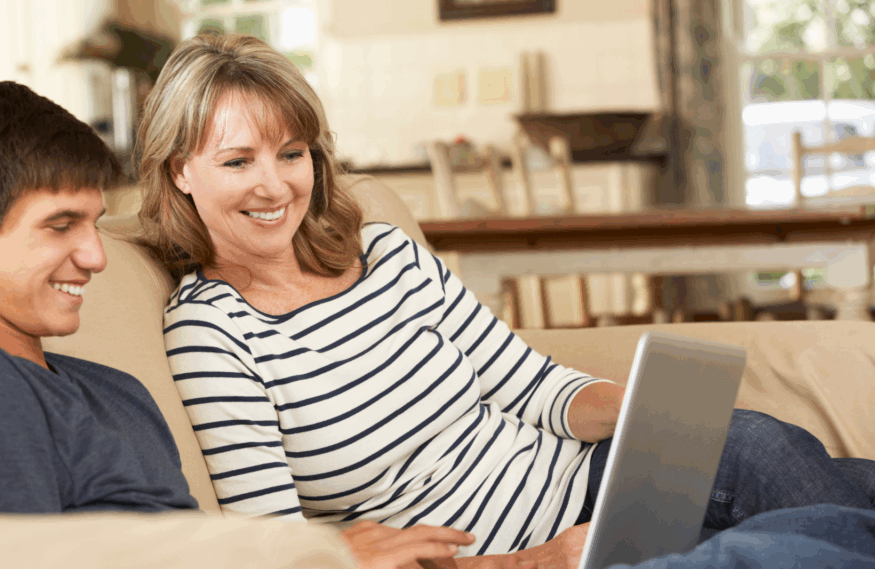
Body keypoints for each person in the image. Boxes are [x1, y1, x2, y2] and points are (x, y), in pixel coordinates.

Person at [137, 33, 875, 565]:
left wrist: (640, 407)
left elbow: (531, 386)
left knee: (761, 447)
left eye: (291, 154)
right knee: (793, 545)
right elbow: (278, 548)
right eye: (238, 161)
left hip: (597, 479)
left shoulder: (386, 254)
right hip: (526, 552)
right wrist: (529, 561)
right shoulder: (213, 332)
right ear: (179, 172)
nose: (274, 185)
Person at [0, 80, 476, 569]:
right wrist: (313, 557)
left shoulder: (110, 388)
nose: (96, 257)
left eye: (94, 225)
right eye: (60, 226)